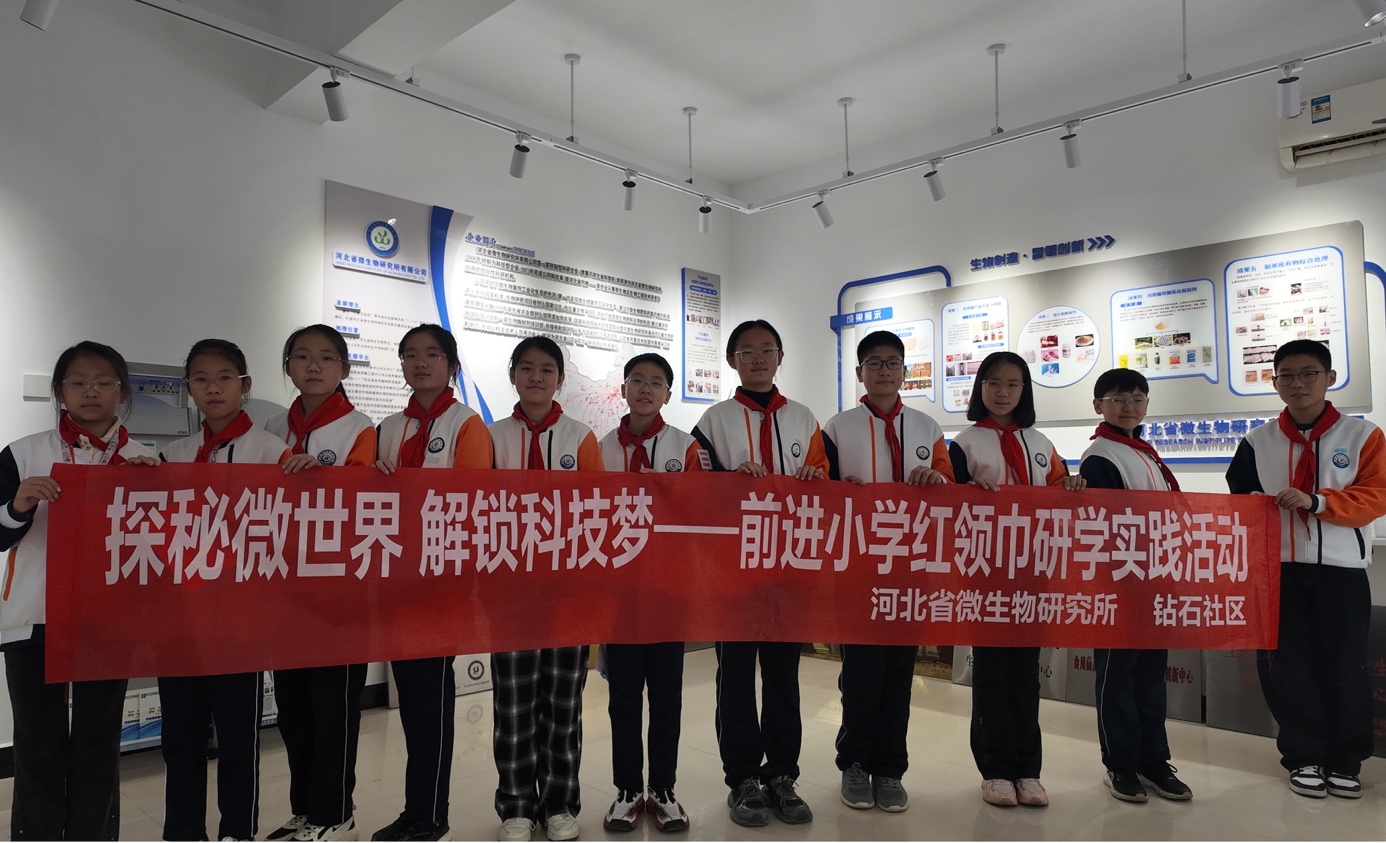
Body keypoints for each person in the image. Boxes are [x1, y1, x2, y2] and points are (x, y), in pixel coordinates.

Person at [0, 341, 159, 840]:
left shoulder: (144, 460)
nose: (92, 391)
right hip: (34, 619)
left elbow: (164, 550)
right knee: (37, 743)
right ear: (59, 391)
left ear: (122, 392)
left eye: (104, 382)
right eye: (78, 382)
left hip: (108, 622)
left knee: (97, 741)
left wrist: (152, 495)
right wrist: (17, 506)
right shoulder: (23, 453)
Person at [1226, 339, 1386, 799]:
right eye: (1287, 376)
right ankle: (1303, 757)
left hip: (1341, 572)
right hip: (1278, 572)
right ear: (1275, 382)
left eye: (1308, 374)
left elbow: (1375, 496)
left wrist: (1317, 502)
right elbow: (1240, 501)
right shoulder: (1257, 441)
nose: (1297, 384)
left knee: (1346, 666)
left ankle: (1346, 760)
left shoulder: (1363, 436)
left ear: (1329, 378)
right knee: (1286, 668)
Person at [690, 319, 828, 828]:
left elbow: (826, 484)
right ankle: (744, 778)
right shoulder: (714, 420)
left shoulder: (804, 419)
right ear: (732, 361)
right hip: (735, 572)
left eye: (766, 350)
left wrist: (815, 476)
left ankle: (783, 775)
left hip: (789, 571)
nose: (757, 359)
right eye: (746, 351)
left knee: (783, 677)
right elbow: (697, 489)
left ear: (780, 356)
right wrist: (731, 481)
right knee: (735, 679)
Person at [159, 339, 290, 841]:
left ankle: (238, 831)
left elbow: (285, 532)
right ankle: (183, 832)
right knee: (181, 739)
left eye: (224, 378)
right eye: (200, 379)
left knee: (238, 739)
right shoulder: (173, 455)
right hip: (182, 620)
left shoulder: (272, 452)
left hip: (240, 621)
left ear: (245, 385)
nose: (212, 388)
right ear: (188, 388)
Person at [822, 330, 953, 814]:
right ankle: (855, 763)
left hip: (910, 569)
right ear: (860, 372)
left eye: (892, 362)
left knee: (900, 673)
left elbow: (949, 485)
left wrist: (936, 479)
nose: (883, 370)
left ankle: (890, 769)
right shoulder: (838, 428)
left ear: (904, 372)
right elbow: (820, 489)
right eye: (873, 363)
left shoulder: (927, 427)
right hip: (859, 568)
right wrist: (841, 490)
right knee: (860, 673)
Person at [371, 324, 493, 841]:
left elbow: (466, 503)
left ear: (452, 366)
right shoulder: (388, 428)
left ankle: (429, 815)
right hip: (395, 580)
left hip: (440, 583)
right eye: (410, 355)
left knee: (430, 705)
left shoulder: (468, 426)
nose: (420, 363)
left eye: (432, 355)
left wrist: (403, 489)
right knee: (412, 700)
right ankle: (416, 810)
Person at [948, 351, 1084, 809]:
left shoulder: (1041, 443)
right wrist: (970, 495)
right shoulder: (964, 444)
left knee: (1026, 674)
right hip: (985, 573)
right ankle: (995, 768)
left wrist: (1072, 486)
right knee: (991, 672)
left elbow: (1060, 492)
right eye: (993, 383)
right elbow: (947, 506)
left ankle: (1029, 769)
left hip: (1033, 570)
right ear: (980, 388)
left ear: (1025, 390)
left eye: (1012, 384)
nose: (1002, 392)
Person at [264, 324, 377, 842]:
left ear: (344, 369)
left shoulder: (359, 427)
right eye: (302, 357)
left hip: (339, 594)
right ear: (288, 365)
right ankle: (305, 811)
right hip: (283, 593)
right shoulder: (270, 428)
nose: (313, 366)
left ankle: (336, 814)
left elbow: (362, 500)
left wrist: (325, 479)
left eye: (326, 358)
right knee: (294, 711)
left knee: (334, 710)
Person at [488, 336, 603, 843]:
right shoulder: (490, 437)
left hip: (567, 593)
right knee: (513, 706)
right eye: (527, 368)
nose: (536, 377)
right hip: (509, 591)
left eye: (547, 369)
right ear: (513, 374)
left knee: (563, 705)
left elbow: (598, 511)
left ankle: (559, 804)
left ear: (560, 379)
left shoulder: (581, 438)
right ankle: (516, 806)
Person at [597, 352, 706, 833]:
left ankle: (662, 789)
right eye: (637, 380)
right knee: (623, 697)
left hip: (668, 593)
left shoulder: (686, 447)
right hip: (618, 593)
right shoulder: (599, 448)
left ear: (667, 393)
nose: (645, 389)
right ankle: (626, 790)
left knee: (666, 698)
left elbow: (701, 513)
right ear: (623, 388)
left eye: (656, 382)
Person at [1079, 368, 1191, 804]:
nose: (1129, 407)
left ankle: (1153, 760)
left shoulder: (1143, 451)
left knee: (1150, 677)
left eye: (1137, 398)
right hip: (1120, 586)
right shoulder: (1101, 456)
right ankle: (1120, 764)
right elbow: (1107, 526)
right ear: (1099, 405)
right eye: (1119, 399)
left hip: (1157, 580)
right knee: (1117, 678)